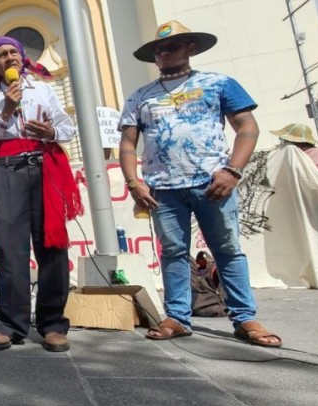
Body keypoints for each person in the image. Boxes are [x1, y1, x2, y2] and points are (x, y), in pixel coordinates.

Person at [118, 20, 281, 347]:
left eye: (173, 46)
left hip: (213, 183)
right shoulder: (140, 96)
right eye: (159, 49)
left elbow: (247, 127)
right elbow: (127, 143)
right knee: (174, 252)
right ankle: (177, 317)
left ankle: (244, 317)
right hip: (162, 189)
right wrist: (134, 183)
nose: (164, 52)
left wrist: (232, 171)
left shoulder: (219, 83)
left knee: (227, 250)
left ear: (191, 48)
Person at [0, 36, 83, 352]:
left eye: (13, 52)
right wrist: (5, 110)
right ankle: (10, 324)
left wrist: (51, 133)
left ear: (22, 58)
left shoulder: (43, 90)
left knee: (51, 245)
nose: (9, 57)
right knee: (9, 246)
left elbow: (67, 128)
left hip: (43, 166)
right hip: (9, 169)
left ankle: (52, 323)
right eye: (1, 55)